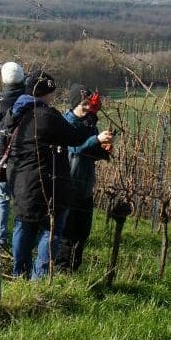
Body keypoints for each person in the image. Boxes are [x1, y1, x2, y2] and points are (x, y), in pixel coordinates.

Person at [3, 70, 112, 279]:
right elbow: (74, 140)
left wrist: (98, 146)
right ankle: (39, 278)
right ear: (45, 92)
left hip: (20, 178)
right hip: (46, 181)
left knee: (23, 225)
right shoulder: (47, 115)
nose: (53, 97)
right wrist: (95, 139)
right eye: (51, 92)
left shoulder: (16, 113)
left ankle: (19, 274)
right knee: (49, 229)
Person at [59, 84, 112, 272]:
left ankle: (73, 269)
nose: (88, 108)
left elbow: (88, 151)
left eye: (90, 104)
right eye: (84, 104)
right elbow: (74, 148)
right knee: (66, 232)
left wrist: (102, 150)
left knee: (82, 233)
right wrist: (96, 140)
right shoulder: (66, 123)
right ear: (74, 104)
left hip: (85, 187)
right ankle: (60, 271)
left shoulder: (90, 124)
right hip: (68, 186)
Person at [0, 61, 25, 250]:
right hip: (22, 155)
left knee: (2, 198)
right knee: (20, 198)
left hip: (2, 153)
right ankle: (20, 241)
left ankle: (1, 239)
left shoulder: (0, 101)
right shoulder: (28, 96)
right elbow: (27, 78)